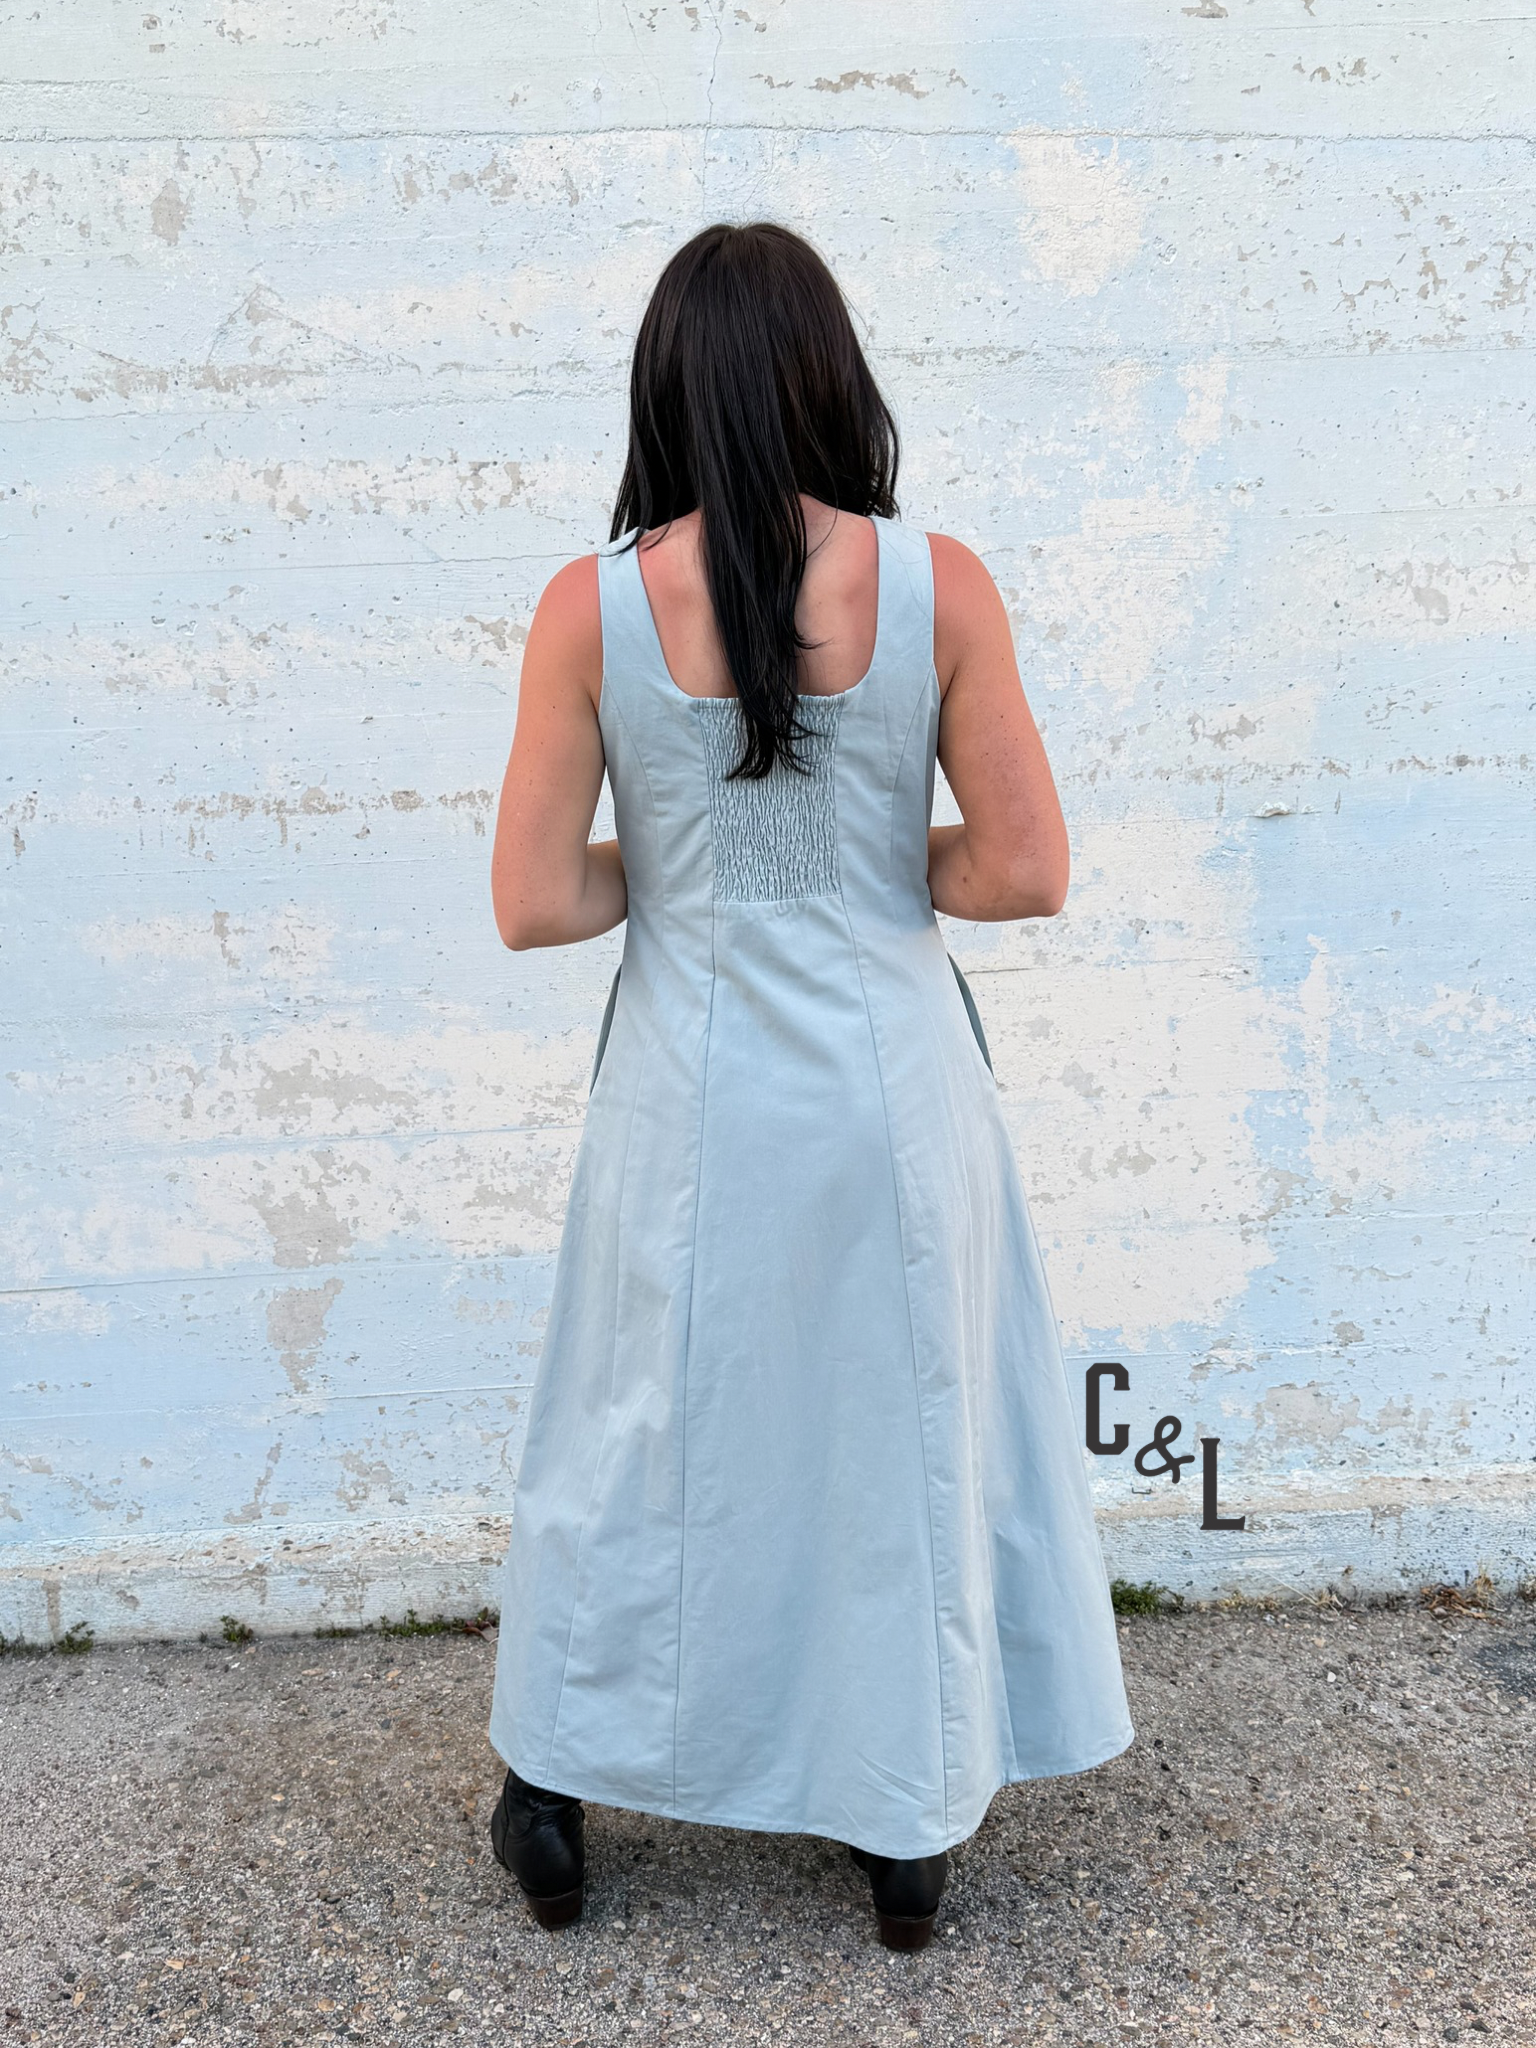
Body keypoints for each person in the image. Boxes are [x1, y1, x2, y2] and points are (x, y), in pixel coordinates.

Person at [484, 221, 1134, 1951]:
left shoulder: (591, 606)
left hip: (686, 1110)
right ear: (832, 376)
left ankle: (548, 1790)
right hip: (888, 1108)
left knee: (632, 1434)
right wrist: (852, 864)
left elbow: (537, 902)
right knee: (890, 1435)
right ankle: (900, 1827)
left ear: (668, 391)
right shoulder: (945, 587)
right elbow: (1022, 870)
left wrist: (696, 875)